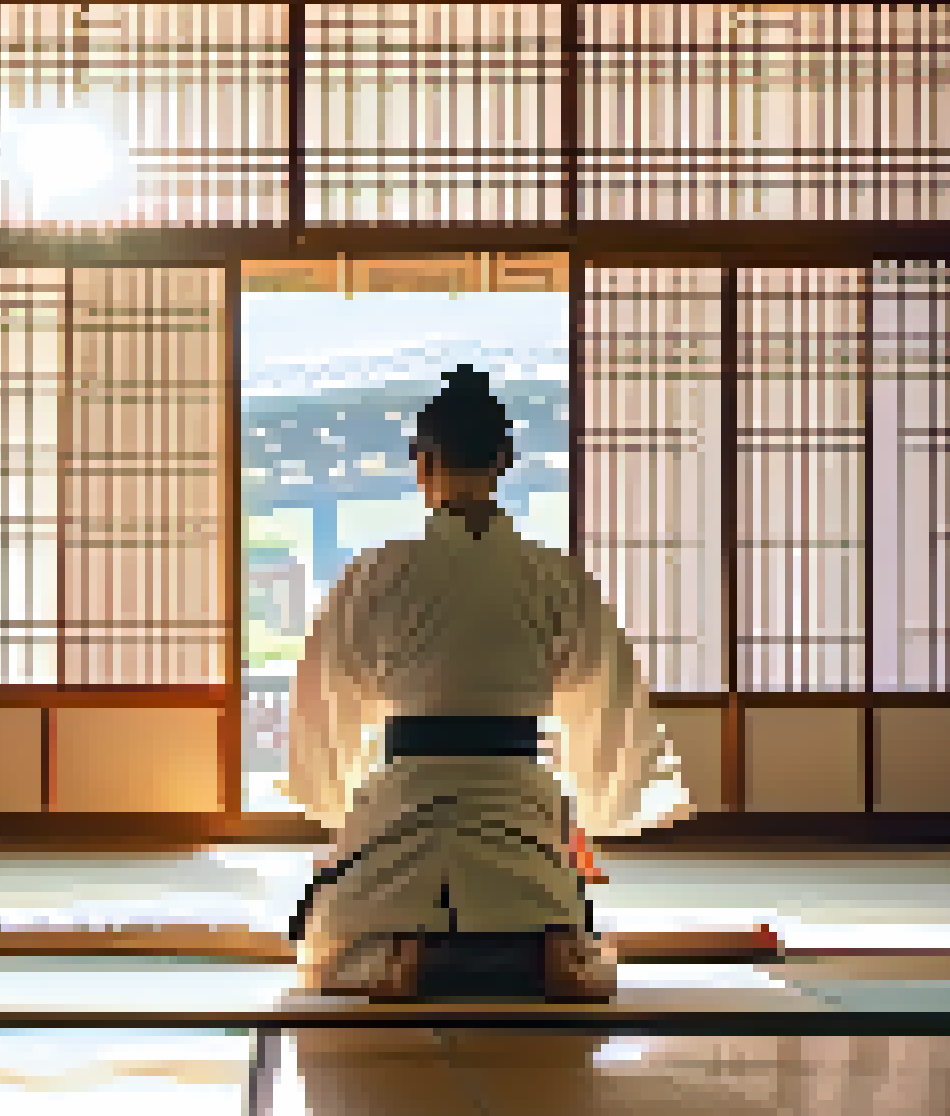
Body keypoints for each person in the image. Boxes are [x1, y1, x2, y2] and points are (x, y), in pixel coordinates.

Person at [282, 364, 695, 1002]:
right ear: (505, 459)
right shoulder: (556, 577)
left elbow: (325, 704)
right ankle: (544, 949)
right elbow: (604, 706)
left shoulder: (375, 573)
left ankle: (404, 956)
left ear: (422, 463)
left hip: (407, 796)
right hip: (518, 801)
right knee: (548, 894)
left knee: (326, 942)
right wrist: (588, 811)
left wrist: (340, 809)